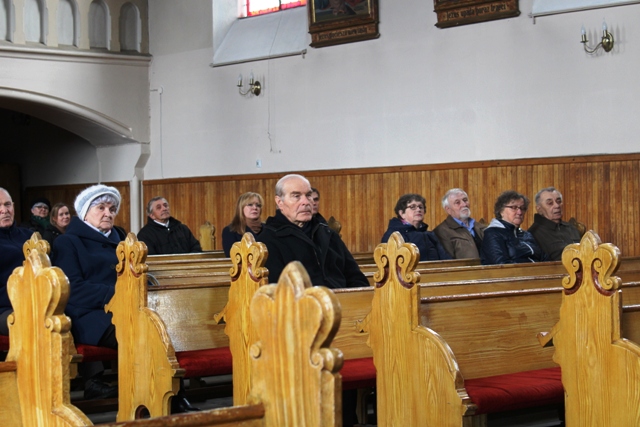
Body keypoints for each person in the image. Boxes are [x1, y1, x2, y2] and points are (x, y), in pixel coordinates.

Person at [257, 174, 367, 427]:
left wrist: (357, 306)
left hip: (343, 318)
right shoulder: (268, 240)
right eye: (296, 196)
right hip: (300, 325)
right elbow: (277, 291)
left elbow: (355, 275)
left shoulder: (327, 233)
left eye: (308, 195)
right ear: (279, 202)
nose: (305, 201)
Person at [481, 190, 548, 265]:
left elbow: (545, 259)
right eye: (514, 207)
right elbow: (501, 265)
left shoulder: (526, 234)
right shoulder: (492, 234)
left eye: (522, 208)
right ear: (501, 211)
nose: (520, 212)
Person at [0, 188, 33, 336]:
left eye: (7, 204)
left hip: (38, 300)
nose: (4, 210)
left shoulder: (30, 236)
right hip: (5, 308)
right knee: (31, 322)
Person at [381, 194, 451, 261]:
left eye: (421, 207)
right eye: (412, 207)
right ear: (402, 213)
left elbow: (446, 260)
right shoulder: (393, 235)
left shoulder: (430, 235)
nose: (418, 210)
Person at [528, 187, 582, 261]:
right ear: (539, 209)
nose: (557, 206)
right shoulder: (533, 234)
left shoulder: (571, 227)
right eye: (550, 203)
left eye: (559, 201)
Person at [137, 197, 202, 255]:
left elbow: (196, 248)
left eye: (165, 205)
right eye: (159, 207)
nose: (164, 209)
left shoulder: (182, 228)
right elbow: (150, 258)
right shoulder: (145, 234)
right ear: (152, 215)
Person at [434, 188, 487, 259]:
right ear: (448, 209)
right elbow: (448, 262)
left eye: (465, 200)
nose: (464, 204)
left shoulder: (482, 227)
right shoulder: (442, 232)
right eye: (457, 202)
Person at [222, 192, 264, 257]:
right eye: (250, 205)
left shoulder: (267, 229)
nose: (255, 208)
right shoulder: (231, 231)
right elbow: (231, 256)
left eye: (258, 205)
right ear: (241, 208)